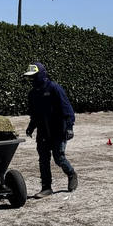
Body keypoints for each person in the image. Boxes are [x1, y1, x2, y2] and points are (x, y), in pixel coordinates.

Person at [23, 61, 78, 195]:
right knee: (43, 159)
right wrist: (31, 127)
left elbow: (67, 109)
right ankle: (46, 187)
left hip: (58, 129)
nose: (32, 79)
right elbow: (34, 114)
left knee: (59, 157)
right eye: (30, 77)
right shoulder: (32, 94)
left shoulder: (54, 88)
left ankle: (71, 174)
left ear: (41, 75)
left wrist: (70, 127)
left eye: (34, 76)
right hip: (42, 131)